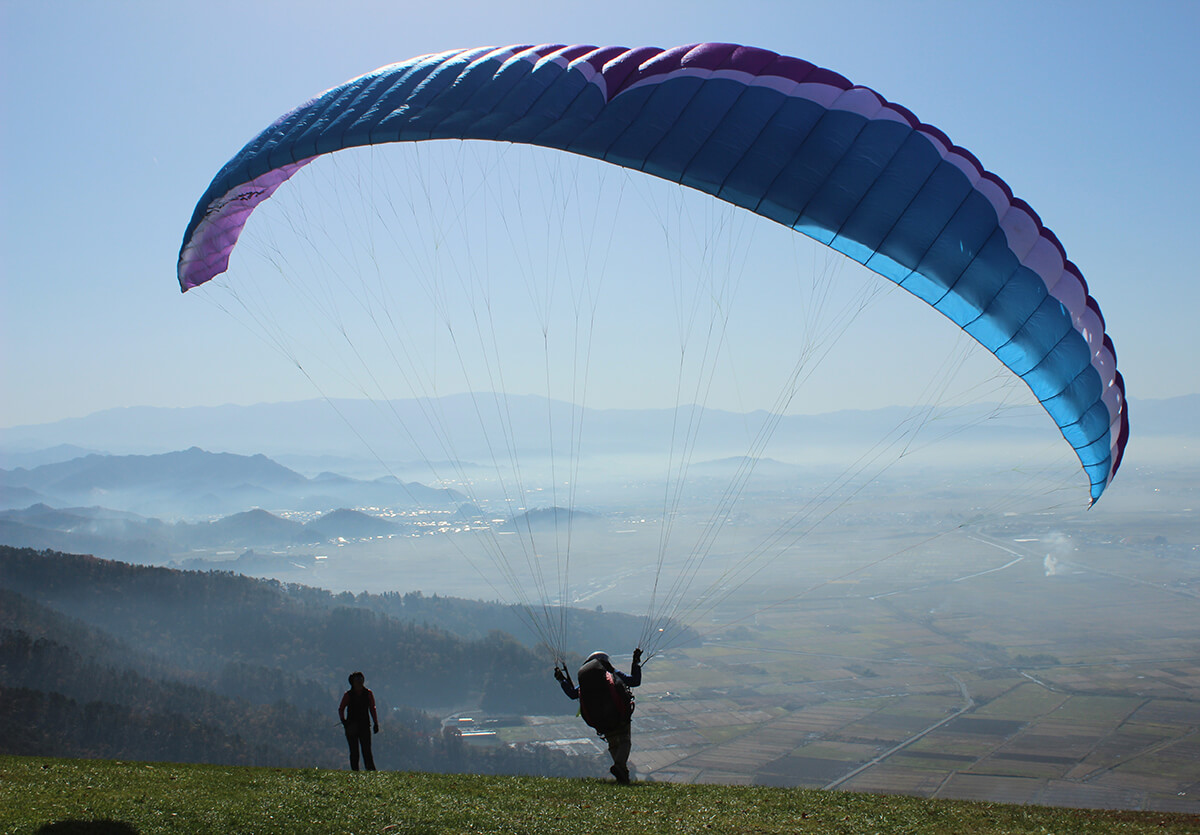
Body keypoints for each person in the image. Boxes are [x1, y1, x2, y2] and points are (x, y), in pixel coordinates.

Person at [555, 648, 643, 784]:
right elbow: (634, 681)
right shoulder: (611, 674)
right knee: (624, 741)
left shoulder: (587, 684)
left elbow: (573, 694)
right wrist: (635, 662)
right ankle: (619, 766)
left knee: (613, 744)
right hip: (618, 716)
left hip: (600, 720)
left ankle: (622, 776)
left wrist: (561, 680)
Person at [338, 671, 379, 771]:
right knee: (354, 751)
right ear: (352, 682)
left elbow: (372, 709)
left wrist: (375, 723)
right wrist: (344, 721)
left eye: (361, 679)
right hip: (352, 726)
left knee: (366, 750)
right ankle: (356, 771)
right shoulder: (349, 695)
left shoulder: (368, 693)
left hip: (364, 725)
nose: (360, 681)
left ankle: (370, 770)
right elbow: (341, 709)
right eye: (357, 680)